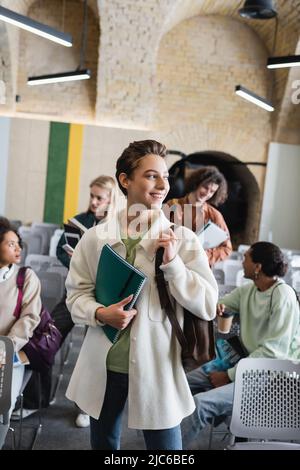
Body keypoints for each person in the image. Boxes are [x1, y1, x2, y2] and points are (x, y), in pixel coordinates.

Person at [65, 139, 218, 450]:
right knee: (105, 445)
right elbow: (75, 296)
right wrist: (99, 313)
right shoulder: (95, 239)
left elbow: (208, 304)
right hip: (104, 365)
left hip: (157, 365)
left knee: (166, 449)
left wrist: (174, 264)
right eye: (151, 175)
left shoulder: (183, 240)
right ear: (125, 180)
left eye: (164, 176)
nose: (163, 184)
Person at [181, 241, 300, 448]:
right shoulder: (248, 290)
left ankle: (168, 454)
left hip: (273, 379)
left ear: (258, 266)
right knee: (179, 382)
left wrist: (229, 375)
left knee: (201, 405)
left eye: (246, 258)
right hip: (245, 368)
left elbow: (273, 353)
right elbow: (221, 303)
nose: (241, 261)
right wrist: (217, 306)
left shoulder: (283, 295)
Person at [21, 176, 118, 428]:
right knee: (44, 338)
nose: (94, 201)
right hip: (74, 292)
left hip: (103, 299)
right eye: (92, 195)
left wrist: (87, 261)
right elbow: (60, 253)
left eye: (100, 197)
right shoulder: (79, 222)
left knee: (92, 353)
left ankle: (85, 408)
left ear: (111, 199)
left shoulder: (117, 227)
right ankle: (37, 400)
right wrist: (76, 262)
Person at [0, 217, 41, 449]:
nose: (18, 249)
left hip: (10, 356)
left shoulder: (26, 278)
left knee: (2, 405)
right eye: (10, 244)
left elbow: (29, 319)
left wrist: (6, 349)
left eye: (18, 243)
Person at [166, 166, 232, 267]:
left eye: (212, 191)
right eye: (205, 187)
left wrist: (206, 256)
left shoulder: (214, 215)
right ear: (196, 183)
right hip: (170, 263)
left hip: (198, 269)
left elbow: (227, 248)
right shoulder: (172, 205)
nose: (207, 193)